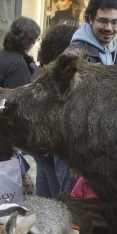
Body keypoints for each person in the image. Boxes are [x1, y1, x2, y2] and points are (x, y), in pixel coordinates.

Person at [0, 16, 41, 163]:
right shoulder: (17, 64)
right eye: (35, 40)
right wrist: (17, 141)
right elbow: (17, 106)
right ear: (29, 41)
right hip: (5, 139)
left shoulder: (1, 57)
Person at [34, 23, 77, 197]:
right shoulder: (63, 77)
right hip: (59, 146)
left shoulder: (44, 73)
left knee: (45, 198)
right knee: (60, 200)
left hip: (43, 145)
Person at [68, 0, 117, 65]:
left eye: (114, 22)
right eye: (103, 21)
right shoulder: (75, 54)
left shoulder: (115, 51)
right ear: (91, 19)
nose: (109, 28)